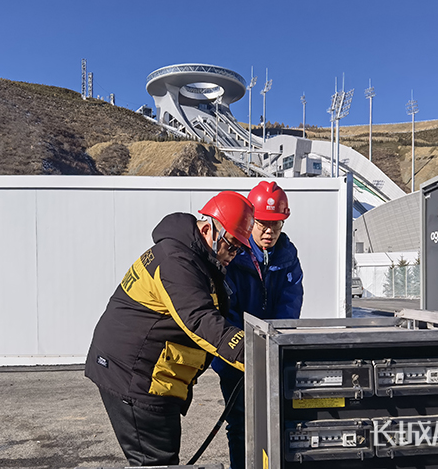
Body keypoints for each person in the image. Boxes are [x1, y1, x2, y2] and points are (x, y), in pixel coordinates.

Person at [85, 190, 255, 466]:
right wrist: (256, 354)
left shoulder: (191, 255)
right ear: (209, 228)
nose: (233, 255)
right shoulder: (177, 261)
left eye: (238, 249)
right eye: (231, 246)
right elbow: (199, 320)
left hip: (149, 375)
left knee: (162, 460)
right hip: (135, 377)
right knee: (156, 461)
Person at [211, 181, 304, 469]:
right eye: (263, 223)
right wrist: (246, 349)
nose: (270, 231)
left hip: (273, 355)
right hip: (236, 358)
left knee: (277, 422)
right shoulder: (234, 255)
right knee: (239, 424)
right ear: (251, 220)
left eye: (276, 224)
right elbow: (227, 309)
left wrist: (274, 345)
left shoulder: (288, 257)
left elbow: (290, 306)